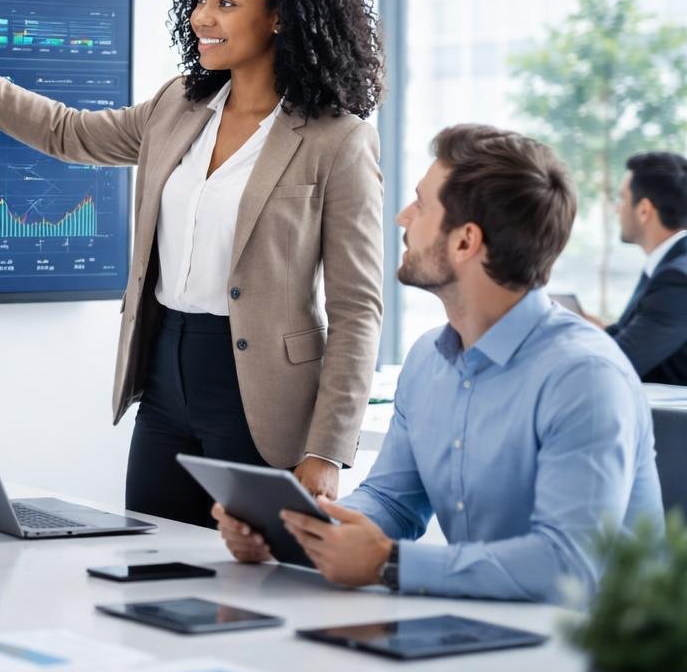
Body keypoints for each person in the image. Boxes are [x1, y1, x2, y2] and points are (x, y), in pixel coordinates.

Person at [0, 0, 385, 525]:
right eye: (199, 1)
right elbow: (67, 132)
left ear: (281, 16)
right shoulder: (179, 106)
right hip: (167, 376)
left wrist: (327, 448)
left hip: (266, 397)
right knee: (150, 560)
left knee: (262, 580)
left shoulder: (337, 141)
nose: (203, 18)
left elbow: (358, 308)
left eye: (226, 3)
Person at [215, 125, 662, 603]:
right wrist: (292, 529)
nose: (403, 218)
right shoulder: (428, 359)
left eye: (422, 205)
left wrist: (389, 562)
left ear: (466, 242)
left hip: (601, 655)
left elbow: (569, 564)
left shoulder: (584, 377)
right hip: (483, 630)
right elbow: (392, 502)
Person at [582, 151, 687, 385]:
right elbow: (629, 335)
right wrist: (583, 325)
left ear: (644, 210)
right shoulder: (667, 265)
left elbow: (619, 361)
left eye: (622, 198)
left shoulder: (678, 278)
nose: (617, 209)